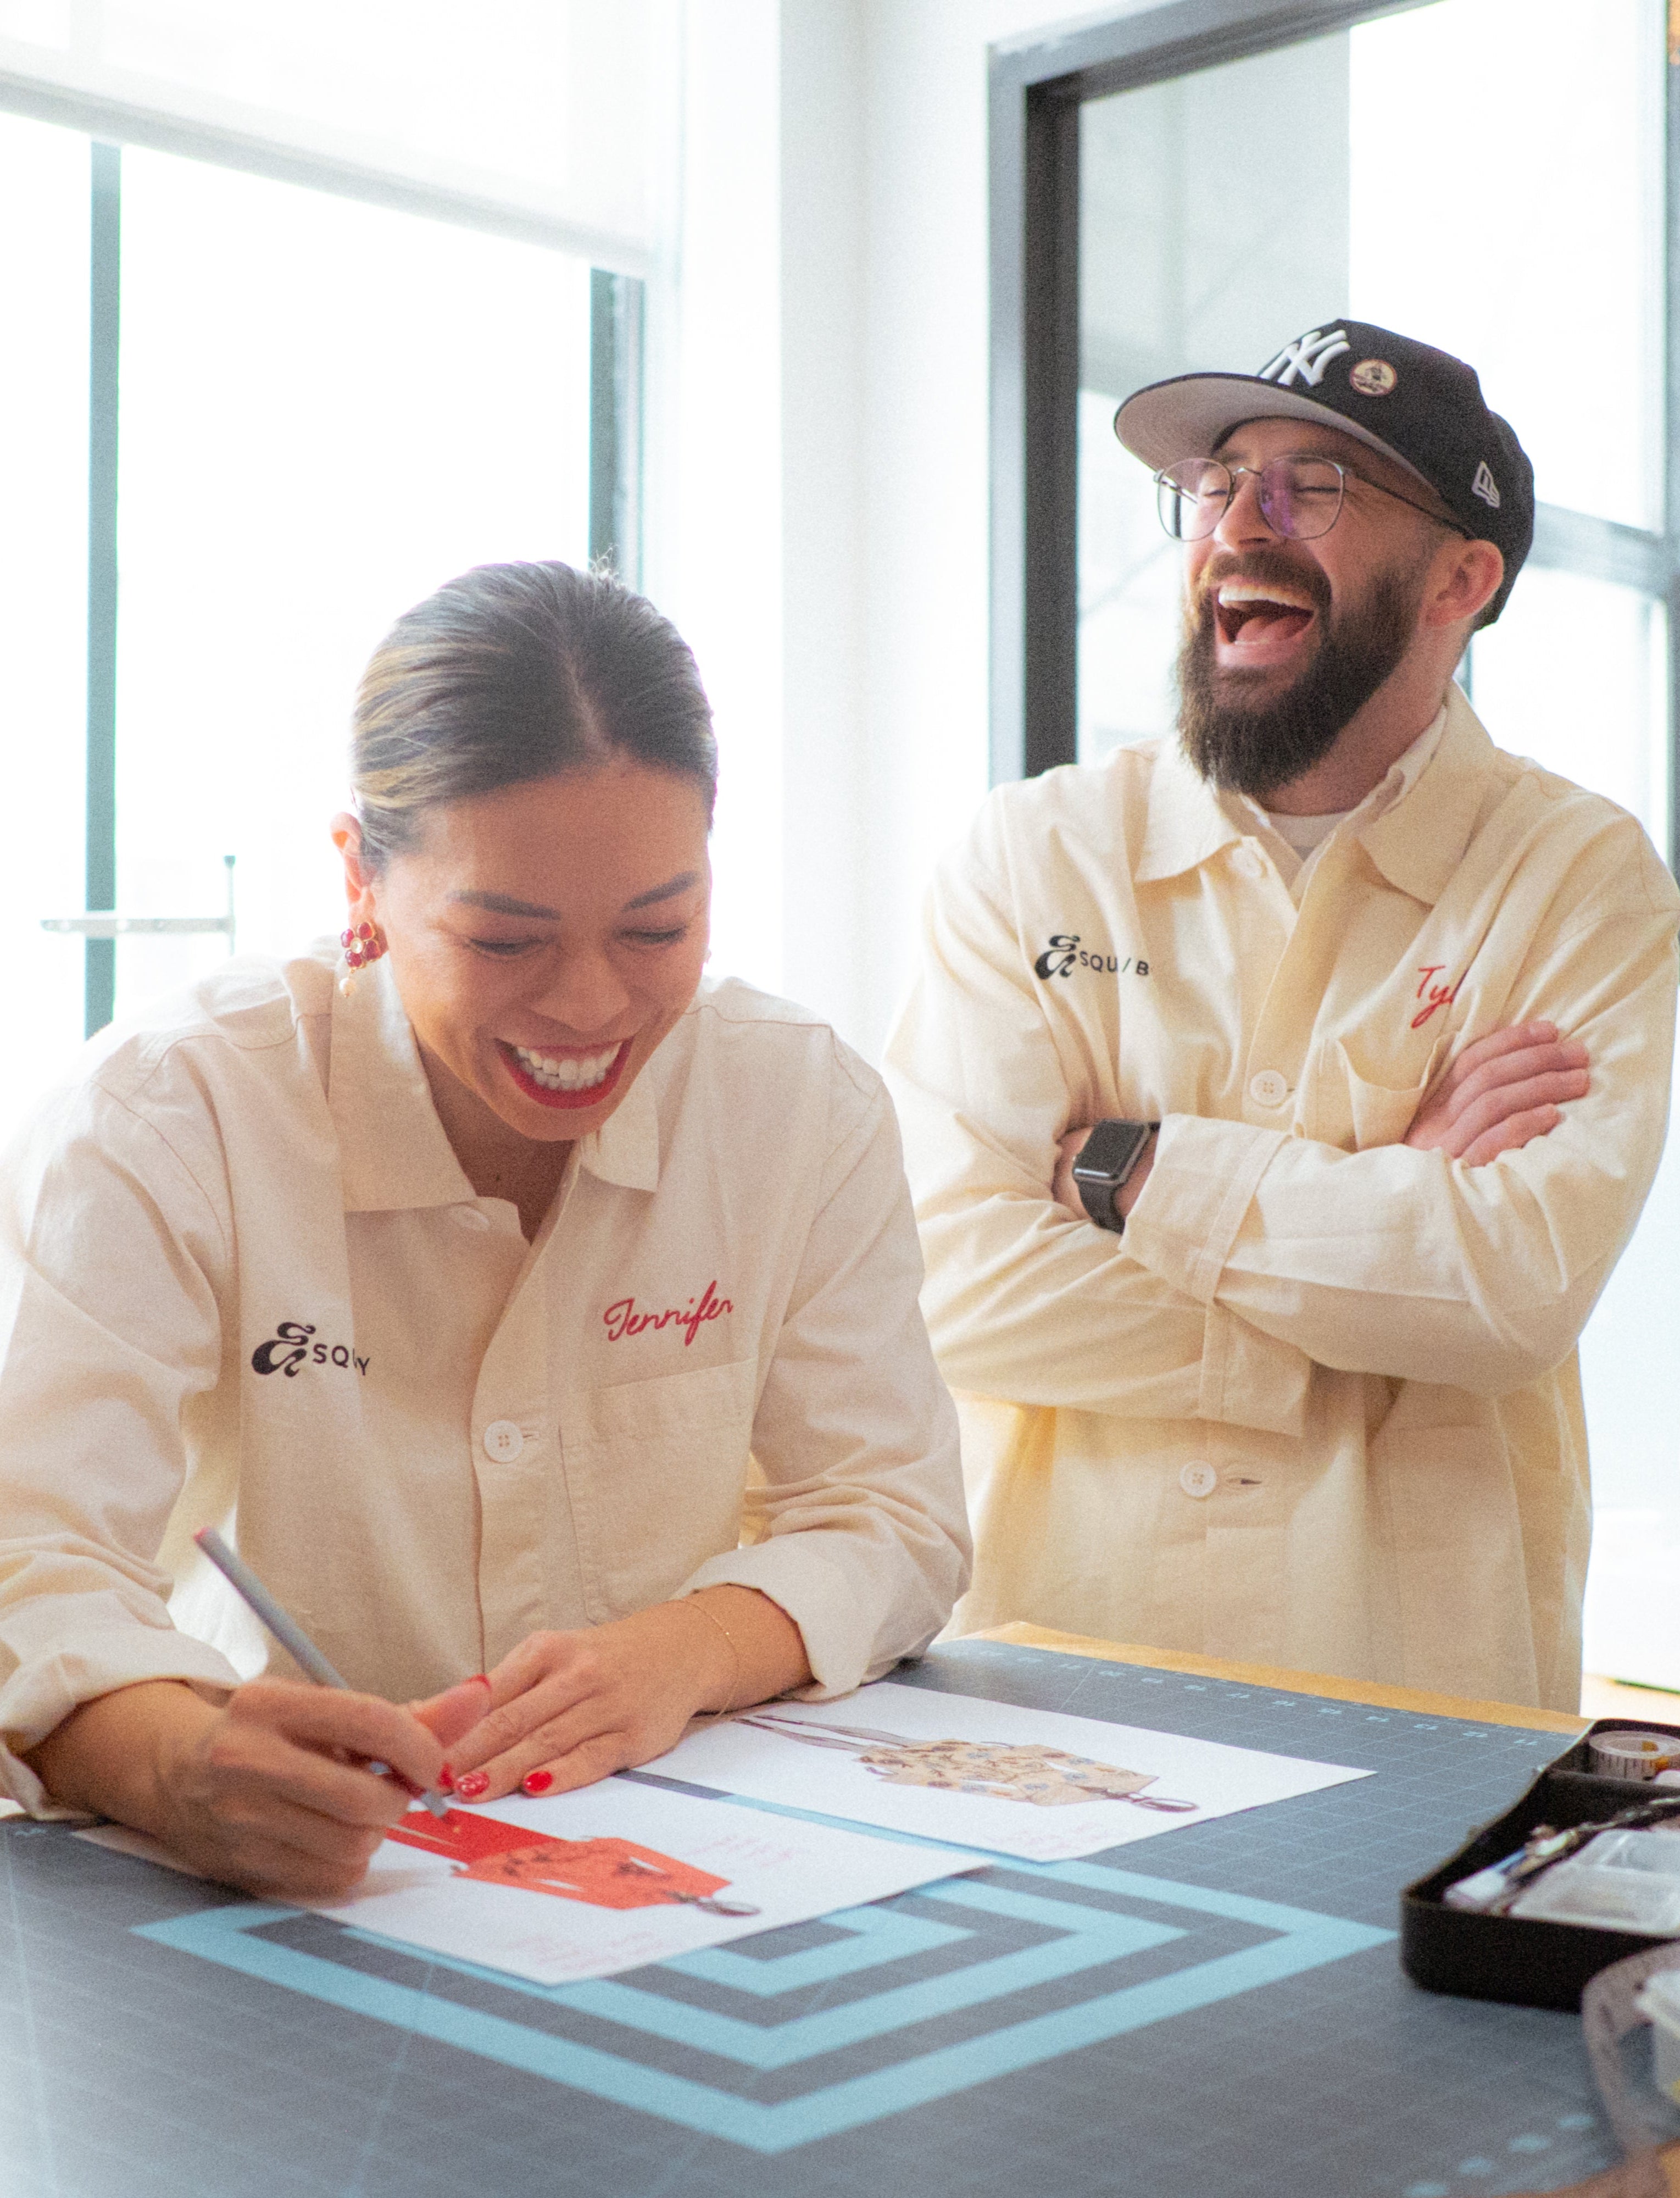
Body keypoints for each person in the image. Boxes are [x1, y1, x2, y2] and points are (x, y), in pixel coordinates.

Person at [0, 560, 969, 1894]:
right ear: (362, 880)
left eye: (655, 926)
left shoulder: (792, 1103)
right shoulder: (173, 1114)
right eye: (504, 940)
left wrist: (682, 1649)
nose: (588, 1006)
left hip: (672, 1858)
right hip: (273, 1881)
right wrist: (173, 1761)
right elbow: (29, 1549)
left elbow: (893, 1512)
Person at [884, 319, 1680, 1713]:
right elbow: (956, 1279)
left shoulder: (1576, 877)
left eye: (1312, 485)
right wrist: (1369, 1268)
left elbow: (1507, 1292)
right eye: (1216, 483)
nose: (1236, 529)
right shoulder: (1033, 854)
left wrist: (1132, 1169)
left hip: (1412, 1691)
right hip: (1049, 1665)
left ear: (1460, 575)